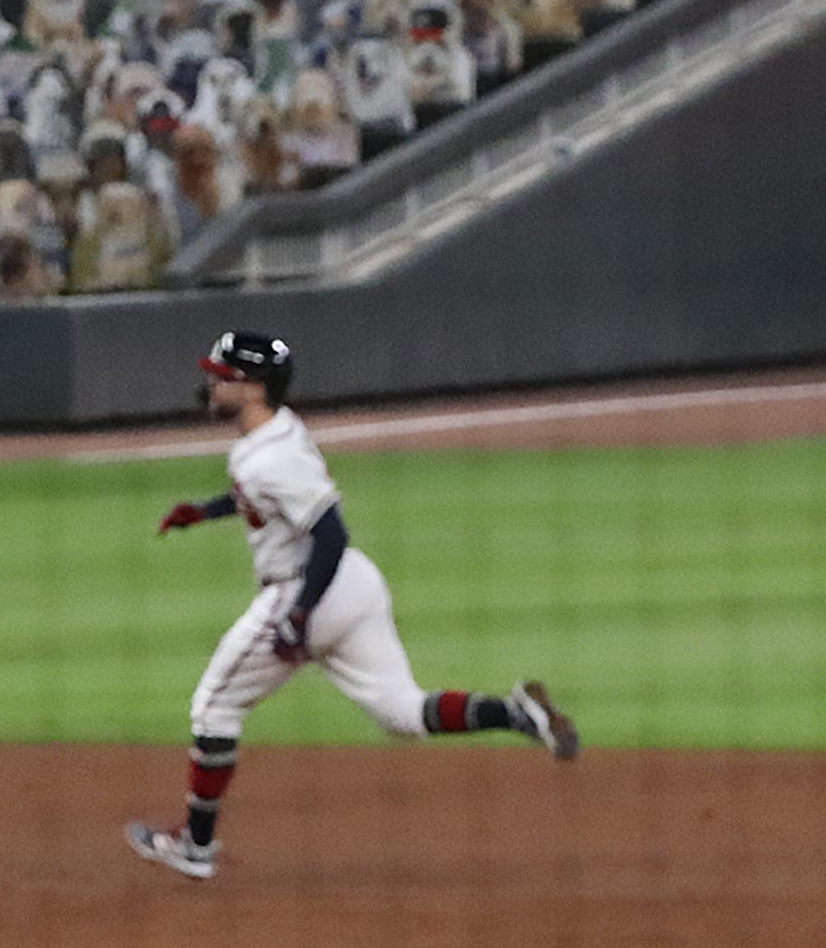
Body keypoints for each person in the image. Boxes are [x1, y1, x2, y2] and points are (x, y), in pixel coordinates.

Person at [122, 328, 578, 883]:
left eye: (221, 377)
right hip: (356, 588)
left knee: (213, 709)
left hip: (309, 589)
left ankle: (195, 847)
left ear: (253, 386)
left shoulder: (271, 457)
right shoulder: (275, 435)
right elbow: (265, 498)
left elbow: (330, 533)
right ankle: (514, 713)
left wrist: (298, 615)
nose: (209, 386)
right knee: (402, 713)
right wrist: (205, 510)